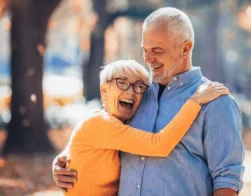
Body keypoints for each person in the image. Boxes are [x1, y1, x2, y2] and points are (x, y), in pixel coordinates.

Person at [53, 7, 245, 196]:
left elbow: (226, 180)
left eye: (157, 50)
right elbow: (103, 132)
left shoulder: (216, 102)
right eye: (144, 49)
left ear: (185, 48)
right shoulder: (135, 97)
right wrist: (65, 161)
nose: (147, 59)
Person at [59, 59, 228, 195]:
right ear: (104, 90)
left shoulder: (120, 125)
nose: (131, 91)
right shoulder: (98, 122)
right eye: (122, 82)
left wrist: (62, 160)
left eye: (139, 86)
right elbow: (159, 145)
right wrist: (195, 100)